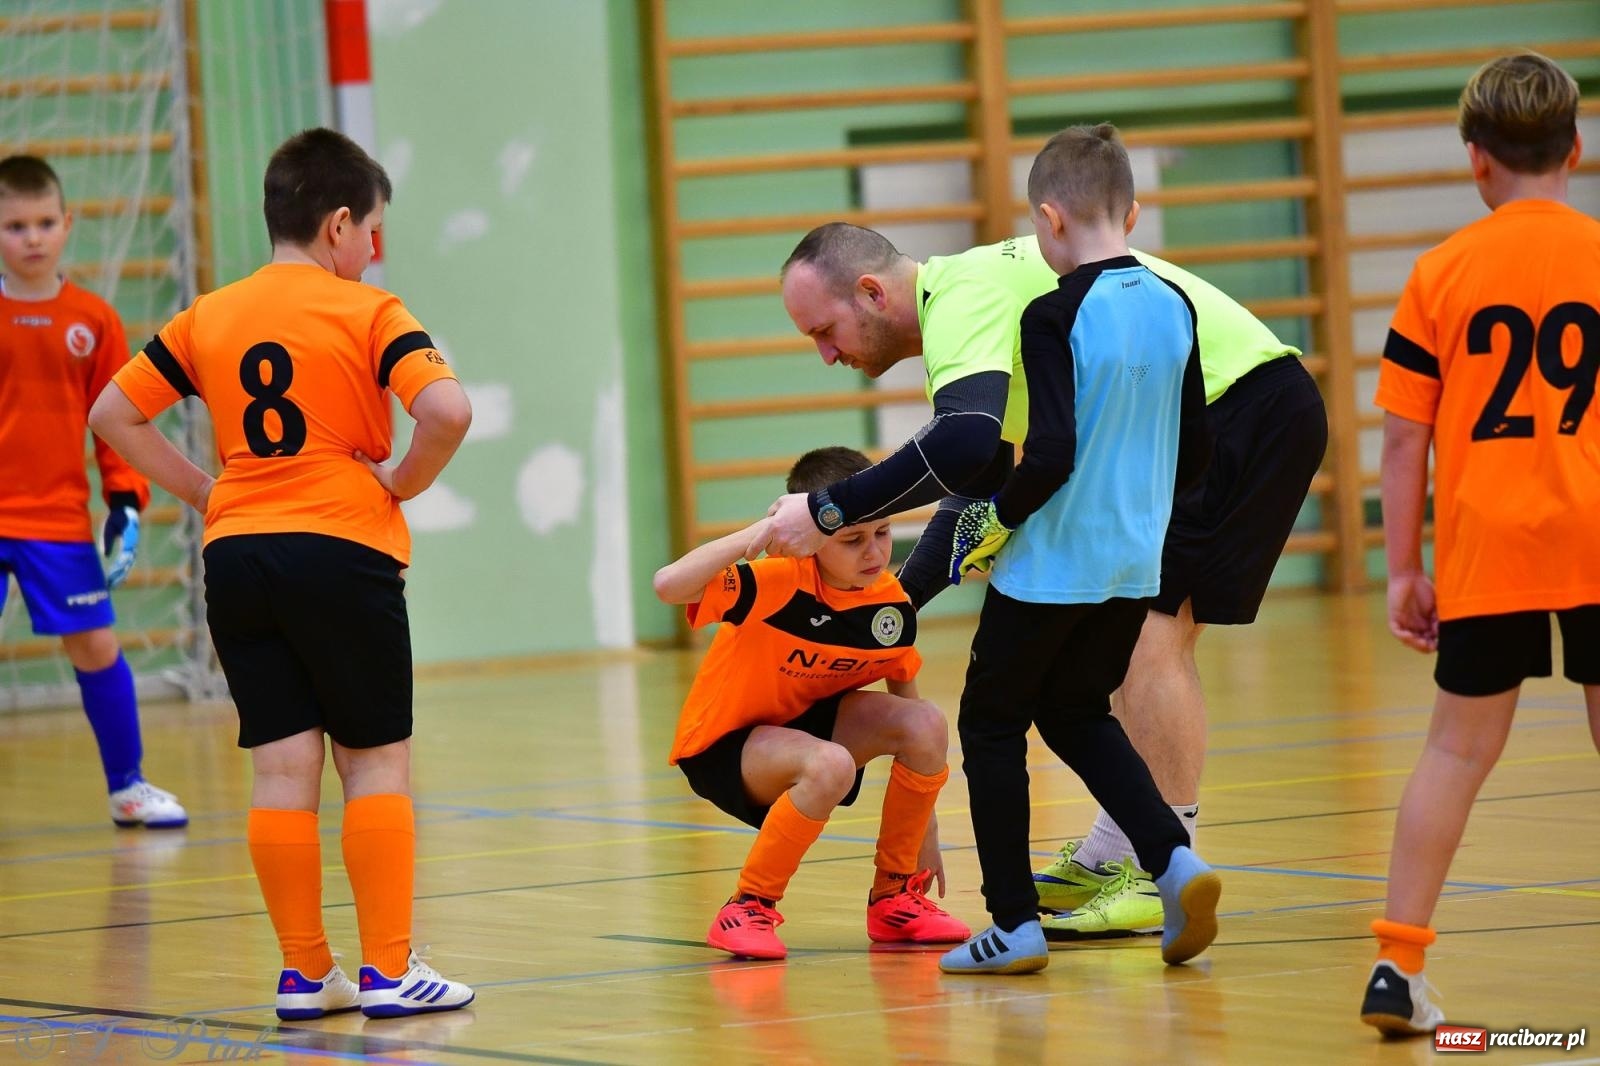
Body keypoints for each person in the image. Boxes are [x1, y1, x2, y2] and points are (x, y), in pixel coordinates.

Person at [772, 213, 1324, 940]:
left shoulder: (963, 295)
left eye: (823, 331)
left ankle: (1162, 866)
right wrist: (891, 606)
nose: (824, 355)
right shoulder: (966, 307)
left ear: (872, 292)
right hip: (1192, 420)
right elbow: (980, 477)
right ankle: (1118, 853)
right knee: (1115, 645)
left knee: (1149, 638)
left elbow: (963, 442)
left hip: (1229, 406)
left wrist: (832, 508)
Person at [87, 128, 476, 1021]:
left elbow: (113, 410)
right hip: (341, 542)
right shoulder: (371, 310)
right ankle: (388, 970)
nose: (376, 248)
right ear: (340, 225)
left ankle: (306, 973)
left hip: (239, 553)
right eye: (373, 228)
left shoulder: (208, 314)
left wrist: (204, 491)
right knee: (375, 759)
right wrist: (400, 483)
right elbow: (447, 410)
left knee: (281, 770)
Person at [929, 124, 1219, 974]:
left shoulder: (1051, 314)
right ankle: (1174, 859)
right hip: (1134, 562)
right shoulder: (1175, 303)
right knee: (1074, 712)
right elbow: (1196, 447)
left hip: (1051, 565)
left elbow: (1049, 453)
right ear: (1132, 210)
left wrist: (993, 521)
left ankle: (1013, 925)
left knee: (988, 724)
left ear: (1048, 221)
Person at [1360, 52, 1600, 1037]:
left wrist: (1404, 567)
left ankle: (1394, 962)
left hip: (1487, 541)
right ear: (1575, 149)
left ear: (1474, 160)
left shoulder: (1439, 273)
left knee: (1454, 752)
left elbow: (1403, 437)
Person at [654, 446, 970, 960]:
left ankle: (895, 898)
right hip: (725, 749)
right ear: (812, 537)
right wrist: (762, 533)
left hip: (807, 731)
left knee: (926, 720)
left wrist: (924, 837)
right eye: (852, 539)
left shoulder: (887, 605)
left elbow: (920, 736)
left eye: (883, 533)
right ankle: (748, 905)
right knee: (830, 762)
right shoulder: (779, 580)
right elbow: (668, 585)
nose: (873, 553)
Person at [0, 154, 187, 829]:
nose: (32, 237)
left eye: (44, 222)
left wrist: (127, 500)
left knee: (97, 648)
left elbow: (117, 425)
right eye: (15, 225)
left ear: (68, 224)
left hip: (55, 521)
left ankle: (128, 787)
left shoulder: (95, 320)